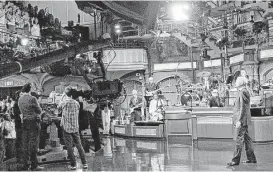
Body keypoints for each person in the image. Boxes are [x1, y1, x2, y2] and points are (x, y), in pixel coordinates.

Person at [227, 77, 257, 166]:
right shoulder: (243, 91)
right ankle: (251, 158)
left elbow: (243, 108)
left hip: (242, 120)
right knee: (248, 140)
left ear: (240, 83)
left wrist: (239, 120)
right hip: (245, 119)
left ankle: (235, 160)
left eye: (236, 81)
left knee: (238, 139)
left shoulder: (243, 91)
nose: (235, 82)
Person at [58, 86, 87, 170]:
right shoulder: (77, 103)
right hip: (75, 127)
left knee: (69, 147)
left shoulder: (64, 103)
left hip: (66, 127)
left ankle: (73, 165)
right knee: (79, 145)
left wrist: (62, 97)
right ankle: (84, 163)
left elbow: (58, 109)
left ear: (66, 95)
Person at [18, 83, 44, 171]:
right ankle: (34, 165)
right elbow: (39, 110)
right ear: (30, 89)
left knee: (25, 144)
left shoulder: (20, 99)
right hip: (33, 122)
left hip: (24, 123)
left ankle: (25, 164)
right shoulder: (32, 98)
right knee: (34, 144)